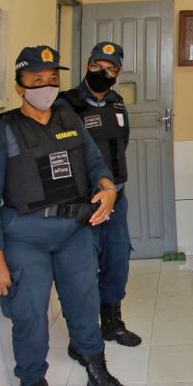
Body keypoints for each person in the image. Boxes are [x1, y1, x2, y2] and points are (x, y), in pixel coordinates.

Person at [0, 46, 134, 386]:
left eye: (52, 78)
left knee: (84, 303)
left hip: (73, 232)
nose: (46, 85)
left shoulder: (67, 116)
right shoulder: (2, 133)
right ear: (20, 86)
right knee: (29, 317)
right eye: (37, 79)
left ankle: (97, 370)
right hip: (25, 238)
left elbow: (95, 160)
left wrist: (107, 188)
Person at [59, 42, 141, 349]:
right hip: (84, 203)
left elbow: (123, 141)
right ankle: (82, 333)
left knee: (117, 260)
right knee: (81, 268)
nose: (102, 72)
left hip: (116, 199)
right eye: (97, 65)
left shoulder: (118, 103)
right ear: (87, 65)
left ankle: (112, 323)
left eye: (110, 68)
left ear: (117, 73)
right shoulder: (65, 104)